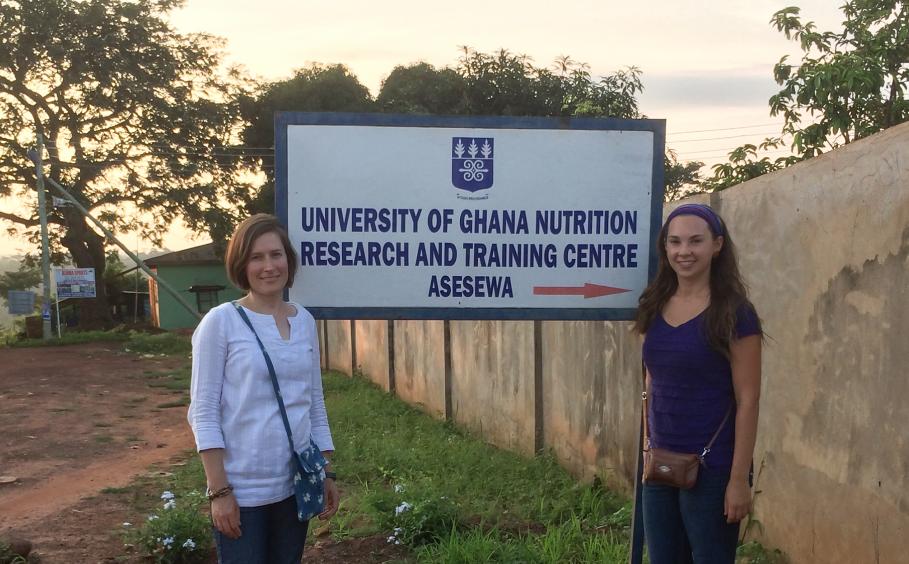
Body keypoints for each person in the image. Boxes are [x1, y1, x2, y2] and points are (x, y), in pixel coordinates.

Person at [187, 214, 339, 564]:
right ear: (241, 265)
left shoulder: (304, 321)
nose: (268, 266)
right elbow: (204, 412)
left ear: (289, 259)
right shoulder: (220, 322)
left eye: (276, 254)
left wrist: (325, 471)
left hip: (295, 485)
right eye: (256, 257)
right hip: (243, 494)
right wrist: (219, 491)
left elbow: (313, 402)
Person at [634, 203, 762, 564]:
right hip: (660, 465)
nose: (683, 251)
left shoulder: (735, 313)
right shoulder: (653, 305)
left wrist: (738, 480)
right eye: (674, 242)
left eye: (695, 241)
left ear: (717, 245)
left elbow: (748, 400)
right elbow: (651, 381)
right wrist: (647, 447)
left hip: (713, 469)